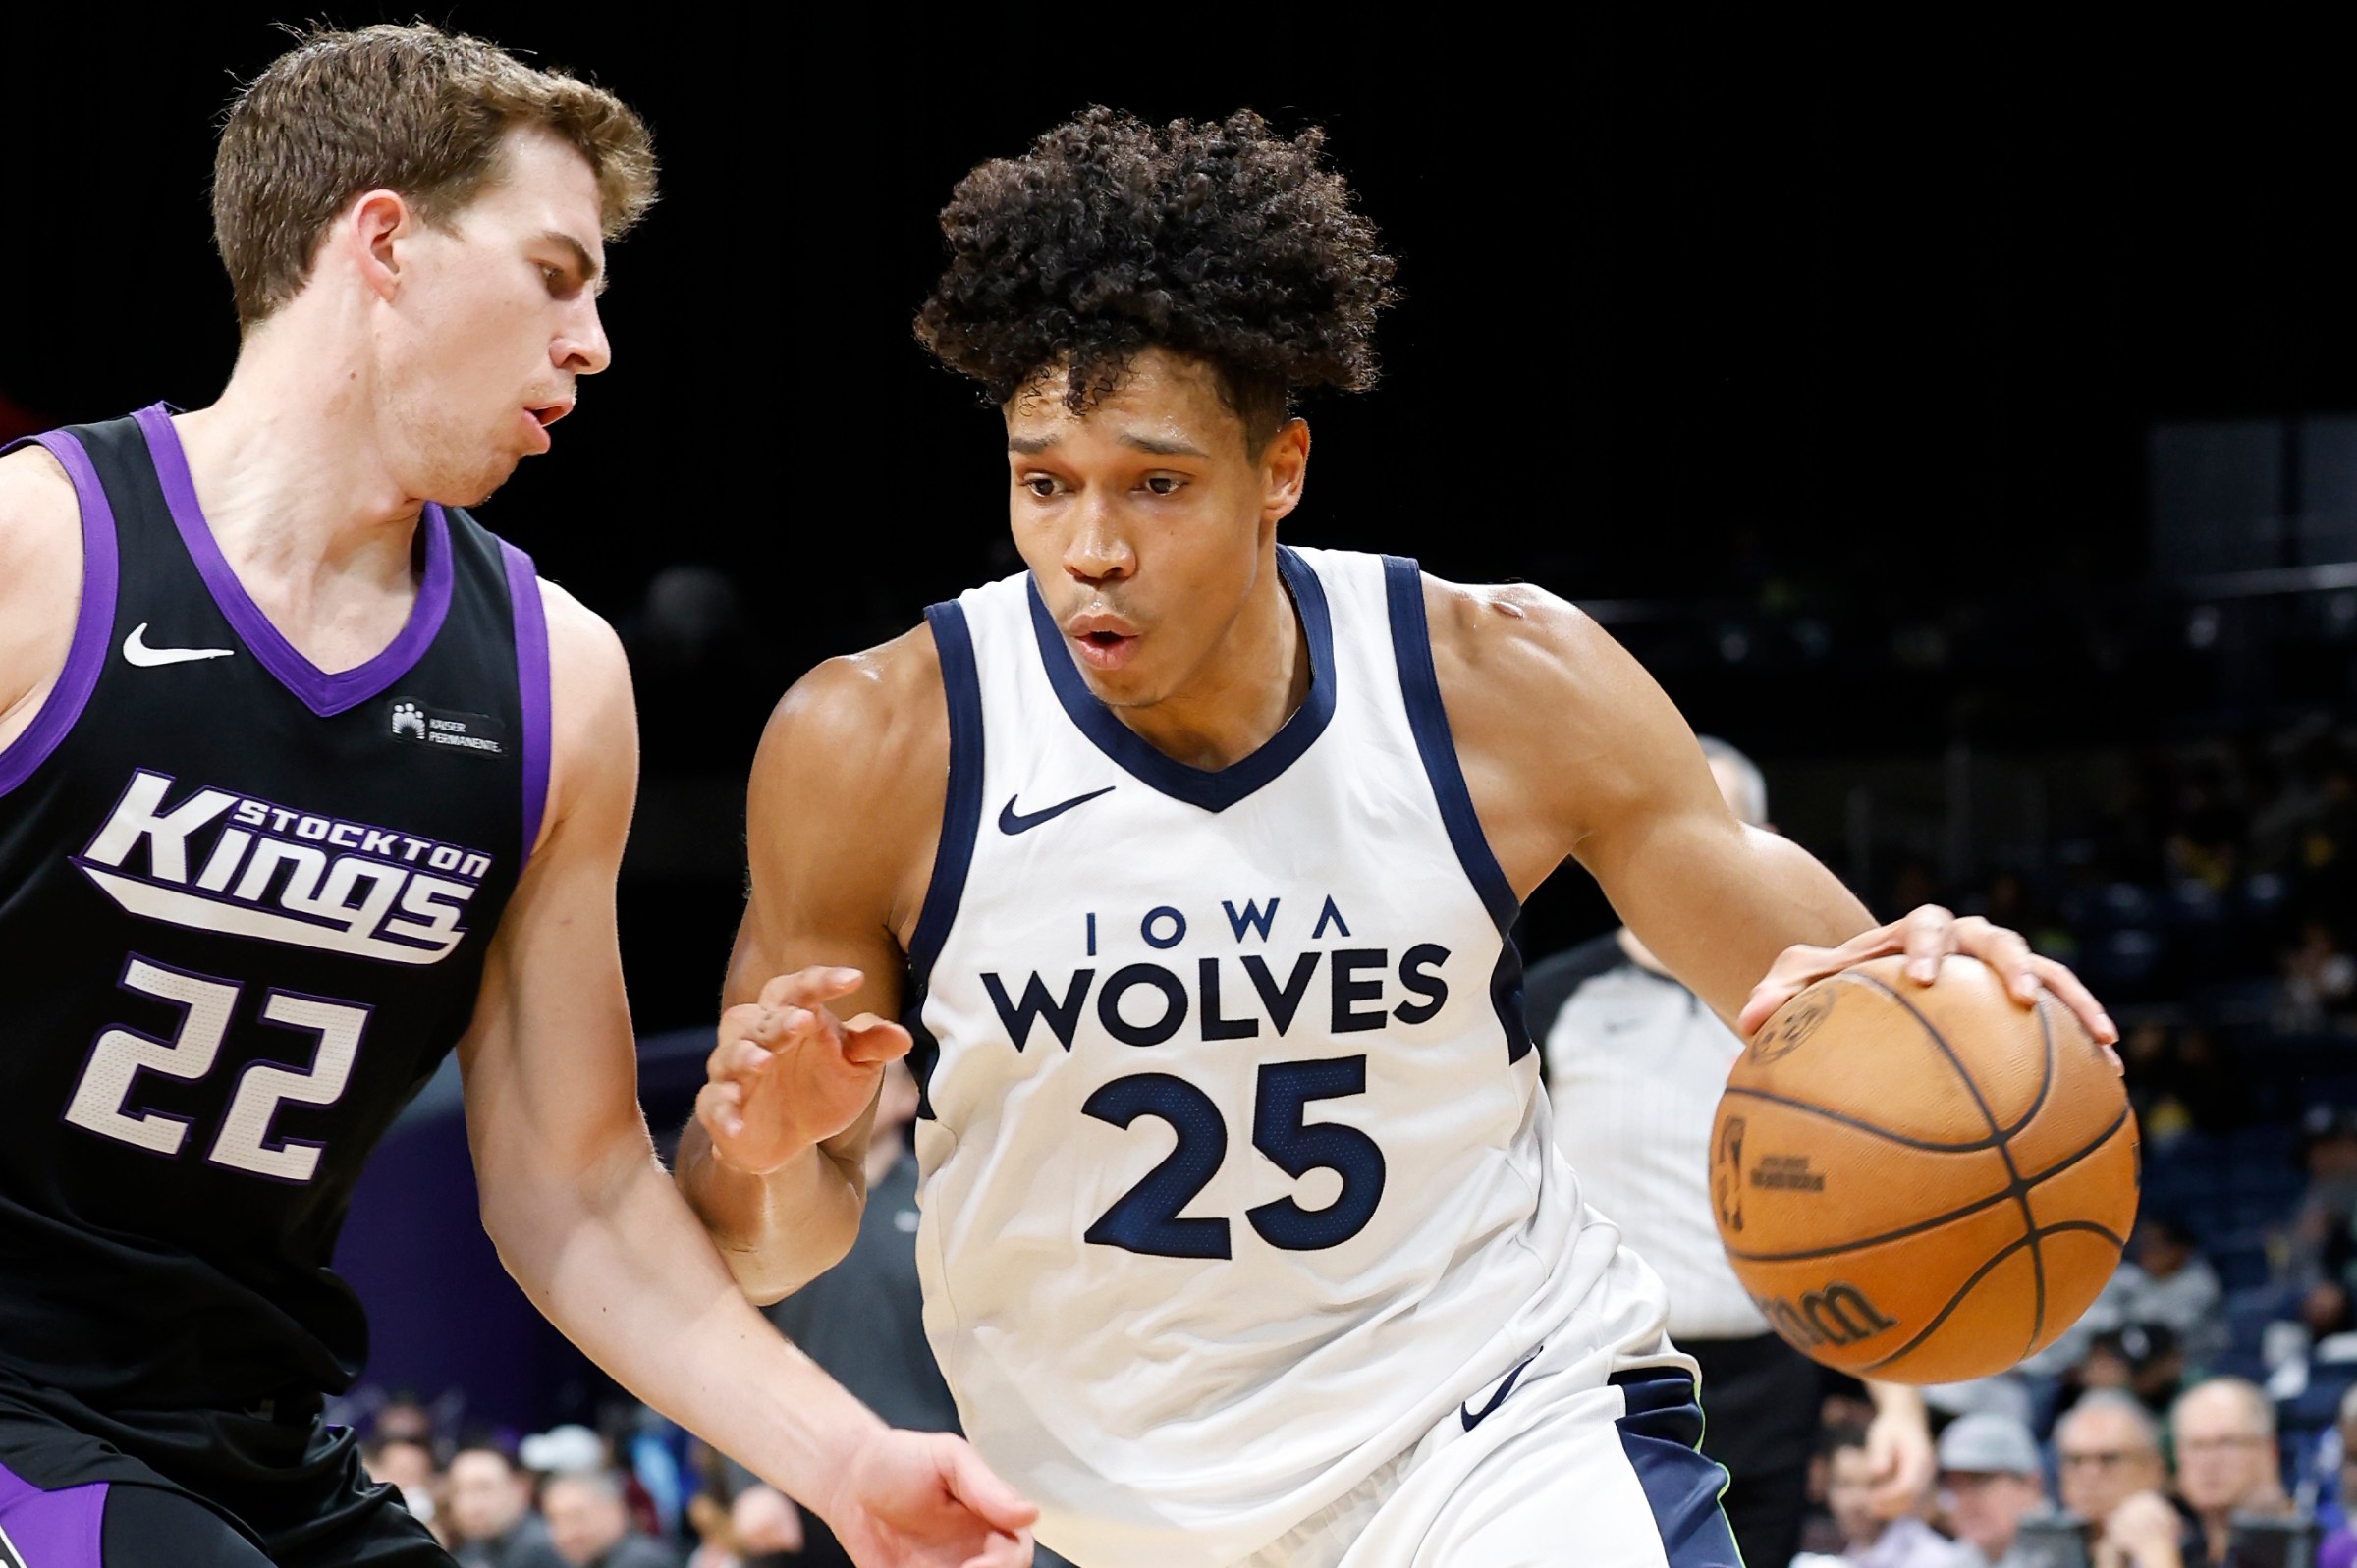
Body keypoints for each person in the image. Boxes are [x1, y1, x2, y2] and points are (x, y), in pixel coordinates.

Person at [678, 107, 2117, 1567]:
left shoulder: (1504, 683)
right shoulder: (873, 743)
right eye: (1043, 482)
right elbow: (763, 1240)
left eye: (1156, 484)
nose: (1090, 546)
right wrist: (771, 1158)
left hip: (1495, 1430)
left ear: (1281, 468)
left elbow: (1826, 990)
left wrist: (1919, 983)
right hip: (1106, 1516)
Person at [0, 23, 1029, 1567]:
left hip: (259, 1438)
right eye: (559, 273)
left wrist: (848, 1457)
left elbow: (581, 1193)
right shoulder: (40, 555)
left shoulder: (557, 679)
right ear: (385, 243)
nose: (597, 339)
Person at [1526, 735, 1934, 1567]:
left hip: (1775, 1366)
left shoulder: (1821, 1014)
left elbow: (1866, 1208)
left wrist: (1901, 1406)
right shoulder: (1552, 999)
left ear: (1769, 846)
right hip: (1608, 1378)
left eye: (1716, 827)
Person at [1799, 1424, 1969, 1568]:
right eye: (1845, 1484)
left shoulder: (1934, 1560)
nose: (1857, 1501)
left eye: (1872, 1484)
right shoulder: (1842, 1554)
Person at [2052, 1390, 2189, 1568]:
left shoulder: (2190, 1542)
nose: (2089, 1473)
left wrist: (2155, 1555)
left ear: (2152, 1468)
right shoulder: (2041, 1543)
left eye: (2108, 1458)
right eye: (2075, 1460)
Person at [2170, 1378, 2292, 1566]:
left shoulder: (2298, 1545)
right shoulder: (2181, 1547)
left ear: (2269, 1452)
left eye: (2228, 1443)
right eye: (2196, 1445)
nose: (2209, 1461)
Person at [1934, 1414, 2045, 1568]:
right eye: (1953, 1486)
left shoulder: (2072, 1549)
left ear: (2030, 1483)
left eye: (1979, 1481)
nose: (1965, 1501)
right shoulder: (1957, 1559)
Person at [447, 1443, 567, 1568]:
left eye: (484, 1487)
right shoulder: (470, 1545)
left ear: (518, 1488)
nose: (470, 1502)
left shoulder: (544, 1547)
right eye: (458, 1490)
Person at [540, 1471, 680, 1568]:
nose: (565, 1533)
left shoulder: (640, 1562)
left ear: (614, 1510)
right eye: (554, 1521)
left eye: (576, 1517)